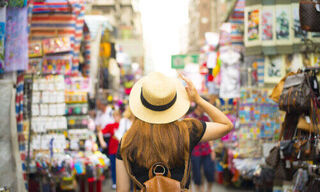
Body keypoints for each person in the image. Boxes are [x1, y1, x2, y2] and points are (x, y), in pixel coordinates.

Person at [116, 72, 233, 192]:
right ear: (173, 103)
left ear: (142, 104)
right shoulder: (187, 130)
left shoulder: (127, 140)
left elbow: (122, 189)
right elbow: (226, 125)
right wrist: (198, 99)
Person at [188, 104, 216, 192]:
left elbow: (210, 134)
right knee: (197, 174)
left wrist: (212, 150)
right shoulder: (190, 119)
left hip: (206, 150)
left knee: (209, 171)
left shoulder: (206, 118)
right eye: (204, 106)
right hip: (194, 151)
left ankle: (209, 190)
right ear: (199, 106)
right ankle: (199, 190)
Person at [100, 110, 121, 190]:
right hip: (112, 150)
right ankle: (115, 182)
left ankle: (121, 183)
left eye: (117, 115)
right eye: (114, 115)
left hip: (121, 150)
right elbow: (100, 132)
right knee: (113, 167)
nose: (116, 117)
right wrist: (102, 142)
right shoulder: (111, 125)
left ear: (120, 116)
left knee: (122, 168)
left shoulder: (124, 124)